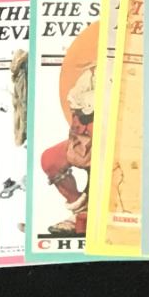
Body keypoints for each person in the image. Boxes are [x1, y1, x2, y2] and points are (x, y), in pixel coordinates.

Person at [41, 63, 95, 237]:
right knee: (51, 159)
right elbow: (74, 98)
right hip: (87, 134)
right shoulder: (92, 73)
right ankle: (80, 210)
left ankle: (92, 217)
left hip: (122, 138)